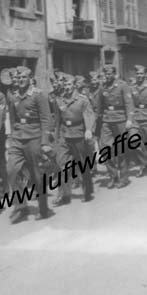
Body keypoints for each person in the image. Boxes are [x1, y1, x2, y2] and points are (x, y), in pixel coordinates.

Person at [7, 67, 53, 224]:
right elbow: (13, 119)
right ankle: (20, 208)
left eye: (24, 77)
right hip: (18, 139)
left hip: (34, 137)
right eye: (18, 77)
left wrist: (45, 142)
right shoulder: (13, 96)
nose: (20, 80)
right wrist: (12, 137)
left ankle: (43, 208)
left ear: (30, 78)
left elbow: (46, 119)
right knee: (11, 170)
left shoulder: (38, 95)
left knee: (37, 176)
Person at [54, 74, 95, 204]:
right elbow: (57, 119)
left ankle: (87, 191)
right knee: (61, 164)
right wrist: (56, 136)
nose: (67, 87)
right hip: (64, 135)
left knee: (82, 164)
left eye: (69, 85)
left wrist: (88, 129)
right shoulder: (59, 99)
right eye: (65, 85)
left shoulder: (82, 99)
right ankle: (64, 195)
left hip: (79, 134)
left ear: (74, 85)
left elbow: (89, 115)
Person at [96, 65, 133, 189]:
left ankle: (124, 177)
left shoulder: (123, 85)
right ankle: (113, 175)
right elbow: (100, 107)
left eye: (110, 73)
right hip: (107, 120)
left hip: (121, 119)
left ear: (114, 74)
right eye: (106, 74)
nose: (107, 76)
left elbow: (129, 103)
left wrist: (129, 119)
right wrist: (97, 123)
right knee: (105, 149)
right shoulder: (103, 87)